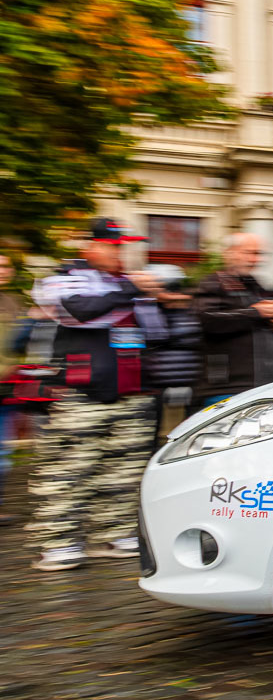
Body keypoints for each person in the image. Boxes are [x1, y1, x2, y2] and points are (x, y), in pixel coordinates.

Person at [26, 218, 160, 571]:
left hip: (130, 390)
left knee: (124, 470)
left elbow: (154, 331)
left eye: (123, 246)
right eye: (112, 246)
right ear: (90, 246)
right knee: (68, 471)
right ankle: (60, 544)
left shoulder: (124, 282)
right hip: (80, 394)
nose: (120, 253)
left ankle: (114, 534)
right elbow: (79, 312)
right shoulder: (63, 277)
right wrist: (131, 288)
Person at [191, 233, 273, 407]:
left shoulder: (257, 286)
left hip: (264, 385)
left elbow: (259, 322)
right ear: (229, 253)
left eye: (259, 254)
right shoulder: (213, 283)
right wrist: (256, 313)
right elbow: (208, 321)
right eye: (249, 253)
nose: (255, 259)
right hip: (226, 388)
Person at [136, 264, 205, 445]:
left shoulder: (191, 309)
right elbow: (155, 335)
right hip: (157, 383)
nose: (171, 292)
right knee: (158, 436)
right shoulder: (146, 309)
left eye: (173, 286)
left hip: (191, 379)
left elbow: (198, 335)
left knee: (189, 435)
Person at [0, 254, 23, 507]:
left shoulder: (12, 302)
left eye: (6, 266)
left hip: (5, 389)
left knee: (3, 454)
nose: (3, 271)